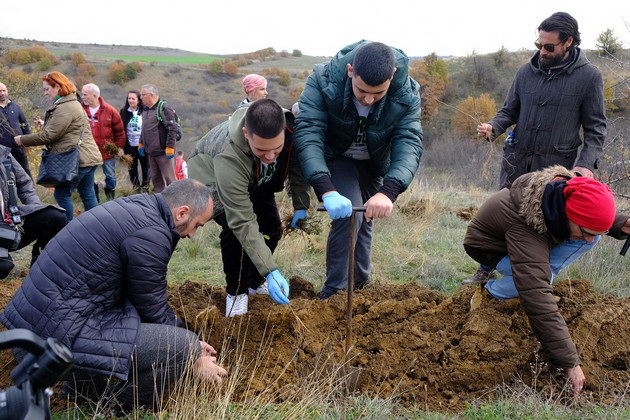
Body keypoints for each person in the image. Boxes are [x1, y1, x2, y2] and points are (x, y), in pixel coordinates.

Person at [0, 179, 227, 411]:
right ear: (182, 213)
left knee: (134, 322)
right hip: (50, 341)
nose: (192, 235)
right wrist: (193, 352)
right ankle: (127, 406)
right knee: (181, 345)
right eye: (197, 225)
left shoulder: (140, 206)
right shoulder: (151, 234)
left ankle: (85, 391)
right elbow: (151, 307)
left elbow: (137, 296)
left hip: (37, 327)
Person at [466, 12, 607, 285]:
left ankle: (531, 277)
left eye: (549, 46)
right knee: (504, 216)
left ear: (568, 43)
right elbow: (509, 111)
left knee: (543, 226)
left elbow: (596, 128)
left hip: (554, 168)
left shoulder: (589, 77)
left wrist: (585, 165)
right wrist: (493, 127)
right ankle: (485, 269)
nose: (542, 51)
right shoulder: (524, 72)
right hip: (516, 163)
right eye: (539, 45)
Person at [463, 165, 630, 394]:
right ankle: (489, 292)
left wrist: (621, 223)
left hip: (516, 240)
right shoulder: (527, 223)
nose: (589, 240)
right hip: (490, 247)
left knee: (591, 239)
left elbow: (589, 211)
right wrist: (569, 362)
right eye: (585, 230)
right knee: (539, 281)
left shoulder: (562, 194)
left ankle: (541, 269)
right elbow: (536, 294)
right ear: (569, 215)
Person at [294, 40, 423, 299]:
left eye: (378, 93)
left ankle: (361, 286)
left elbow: (408, 140)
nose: (368, 99)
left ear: (392, 76)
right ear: (351, 70)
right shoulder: (323, 79)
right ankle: (335, 292)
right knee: (350, 212)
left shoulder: (407, 92)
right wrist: (325, 188)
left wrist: (389, 191)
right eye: (362, 90)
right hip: (337, 156)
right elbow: (309, 132)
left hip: (374, 162)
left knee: (366, 216)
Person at [188, 99, 310, 316]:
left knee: (272, 229)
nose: (271, 156)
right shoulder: (230, 156)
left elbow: (296, 165)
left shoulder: (290, 130)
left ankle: (255, 282)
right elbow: (242, 221)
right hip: (212, 178)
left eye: (277, 149)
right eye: (262, 149)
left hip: (256, 178)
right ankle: (236, 292)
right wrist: (271, 269)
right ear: (246, 134)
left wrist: (301, 204)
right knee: (234, 232)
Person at [14, 71, 102, 222]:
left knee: (62, 193)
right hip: (88, 157)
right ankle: (96, 225)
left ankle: (67, 228)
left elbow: (50, 136)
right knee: (88, 193)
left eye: (47, 89)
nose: (45, 93)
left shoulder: (65, 107)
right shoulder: (71, 103)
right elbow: (63, 129)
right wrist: (46, 124)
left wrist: (21, 139)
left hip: (77, 158)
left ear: (58, 87)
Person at [0, 128, 66, 275]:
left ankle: (40, 263)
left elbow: (24, 183)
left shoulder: (4, 154)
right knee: (3, 268)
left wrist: (35, 207)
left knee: (56, 216)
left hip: (10, 223)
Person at [81, 83, 126, 201]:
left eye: (85, 94)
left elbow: (120, 132)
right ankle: (94, 202)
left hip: (107, 152)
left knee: (110, 176)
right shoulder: (80, 110)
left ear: (94, 95)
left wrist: (118, 148)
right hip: (88, 152)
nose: (83, 97)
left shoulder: (110, 111)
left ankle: (110, 200)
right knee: (90, 177)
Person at [138, 84, 177, 192]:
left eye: (143, 94)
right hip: (151, 153)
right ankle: (161, 203)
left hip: (164, 153)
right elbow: (144, 129)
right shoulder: (145, 110)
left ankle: (175, 204)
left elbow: (172, 128)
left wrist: (170, 147)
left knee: (170, 181)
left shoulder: (164, 108)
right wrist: (141, 143)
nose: (140, 97)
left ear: (151, 95)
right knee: (156, 181)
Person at [0, 82, 33, 179]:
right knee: (8, 175)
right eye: (0, 91)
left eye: (4, 90)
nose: (2, 93)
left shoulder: (15, 106)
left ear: (7, 91)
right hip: (3, 150)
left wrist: (28, 141)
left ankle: (31, 193)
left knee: (25, 171)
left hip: (19, 148)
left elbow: (25, 125)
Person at [120, 89, 149, 191]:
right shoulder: (124, 112)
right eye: (129, 98)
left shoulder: (145, 111)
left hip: (143, 144)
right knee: (132, 168)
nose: (130, 100)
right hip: (129, 145)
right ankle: (136, 187)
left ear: (138, 100)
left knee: (146, 166)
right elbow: (121, 129)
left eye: (133, 98)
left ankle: (145, 186)